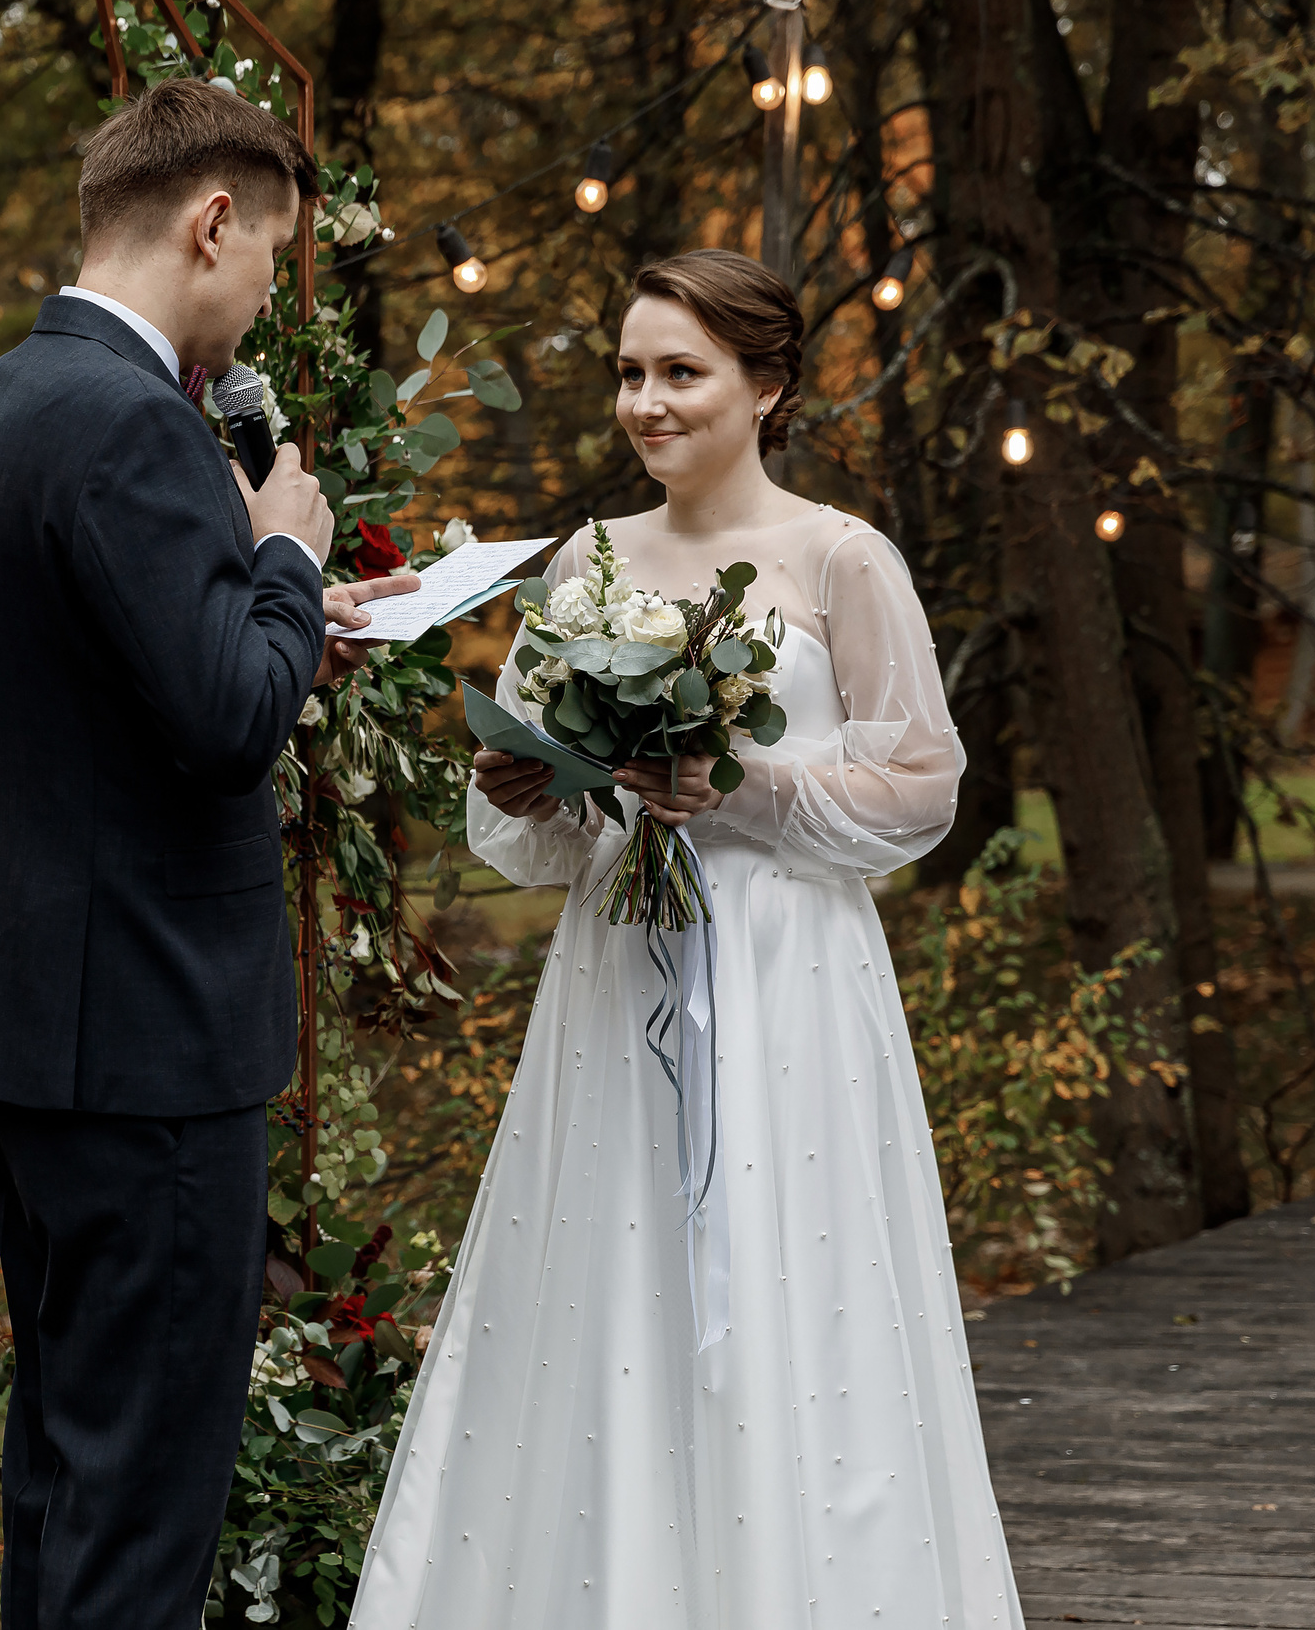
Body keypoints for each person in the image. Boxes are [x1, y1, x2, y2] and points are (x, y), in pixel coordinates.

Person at [350, 249, 1024, 1629]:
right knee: (609, 1288)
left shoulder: (842, 558)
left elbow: (923, 787)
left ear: (766, 387)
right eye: (629, 373)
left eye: (679, 372)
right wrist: (524, 790)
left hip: (787, 979)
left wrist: (752, 787)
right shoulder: (590, 561)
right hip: (618, 971)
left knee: (794, 1292)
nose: (645, 403)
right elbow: (538, 849)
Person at [0, 77, 417, 1630]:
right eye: (270, 257)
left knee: (65, 1464)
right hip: (147, 1040)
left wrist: (272, 629)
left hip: (32, 1023)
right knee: (144, 1505)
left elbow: (118, 685)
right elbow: (219, 725)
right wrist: (286, 557)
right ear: (212, 221)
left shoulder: (0, 401)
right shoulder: (141, 423)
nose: (267, 299)